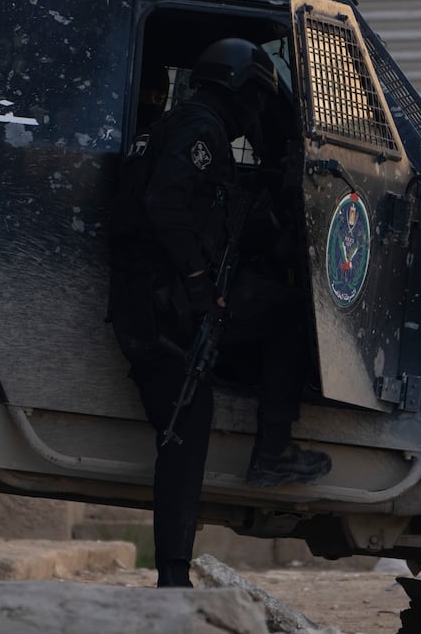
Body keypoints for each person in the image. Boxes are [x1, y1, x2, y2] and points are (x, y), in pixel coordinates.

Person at [108, 37, 332, 588]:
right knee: (188, 423)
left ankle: (175, 573)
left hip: (163, 307)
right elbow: (165, 204)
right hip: (163, 312)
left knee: (193, 416)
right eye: (255, 101)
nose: (253, 116)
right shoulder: (198, 129)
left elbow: (217, 215)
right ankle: (177, 573)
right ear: (239, 90)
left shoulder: (195, 128)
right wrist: (199, 285)